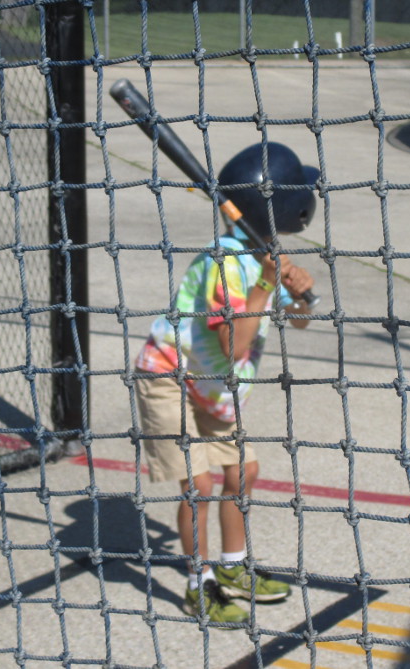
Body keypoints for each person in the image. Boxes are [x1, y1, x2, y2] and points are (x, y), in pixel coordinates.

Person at [134, 142, 318, 624]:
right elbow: (236, 343)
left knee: (242, 474)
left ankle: (234, 569)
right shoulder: (229, 264)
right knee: (198, 486)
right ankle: (200, 585)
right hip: (168, 375)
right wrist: (265, 284)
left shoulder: (260, 254)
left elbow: (296, 322)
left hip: (211, 383)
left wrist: (300, 296)